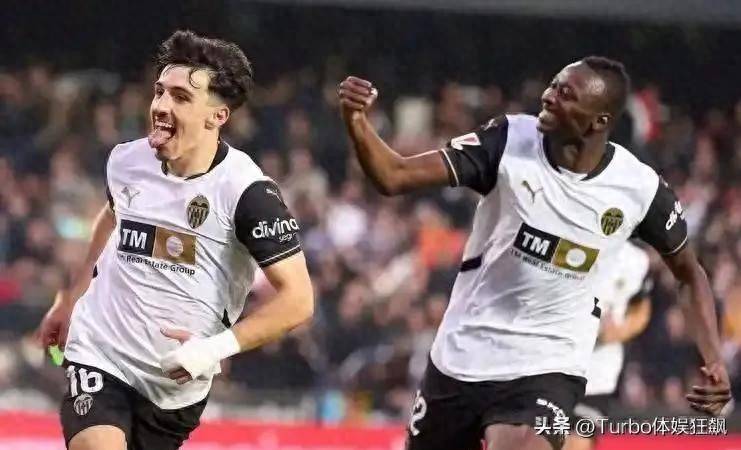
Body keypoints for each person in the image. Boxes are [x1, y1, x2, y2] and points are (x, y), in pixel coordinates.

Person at [337, 56, 731, 450]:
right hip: (463, 354)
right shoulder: (507, 141)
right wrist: (356, 121)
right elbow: (395, 175)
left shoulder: (639, 189)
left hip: (549, 366)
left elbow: (689, 273)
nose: (549, 96)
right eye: (553, 85)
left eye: (566, 94)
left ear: (598, 122)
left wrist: (713, 360)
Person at [37, 30, 314, 450]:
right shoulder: (126, 161)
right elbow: (111, 216)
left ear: (217, 116)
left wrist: (212, 350)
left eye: (181, 97)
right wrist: (70, 298)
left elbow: (299, 300)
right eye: (159, 92)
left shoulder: (247, 193)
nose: (161, 107)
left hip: (175, 387)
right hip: (100, 352)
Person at [564, 241, 652, 450]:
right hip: (552, 363)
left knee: (577, 443)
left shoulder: (636, 259)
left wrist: (621, 330)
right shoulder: (569, 243)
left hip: (598, 373)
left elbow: (642, 307)